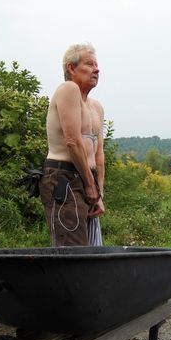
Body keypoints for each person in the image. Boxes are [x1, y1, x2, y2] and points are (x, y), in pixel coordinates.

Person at [38, 43, 105, 246]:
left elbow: (99, 154)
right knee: (73, 251)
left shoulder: (96, 107)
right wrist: (90, 185)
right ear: (71, 68)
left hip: (88, 180)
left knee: (91, 251)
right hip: (64, 177)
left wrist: (99, 193)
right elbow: (72, 141)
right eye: (89, 64)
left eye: (97, 65)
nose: (96, 69)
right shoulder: (68, 89)